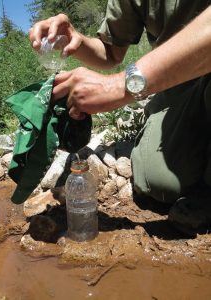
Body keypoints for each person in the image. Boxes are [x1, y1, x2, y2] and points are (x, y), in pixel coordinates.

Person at [29, 1, 211, 235]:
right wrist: (77, 40)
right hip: (176, 84)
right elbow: (110, 53)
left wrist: (119, 86)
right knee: (159, 183)